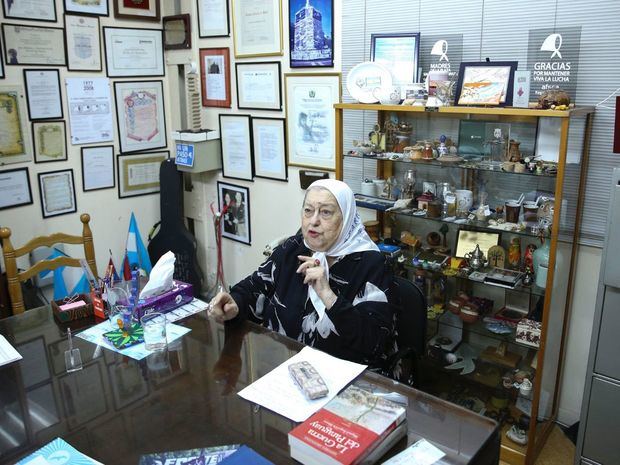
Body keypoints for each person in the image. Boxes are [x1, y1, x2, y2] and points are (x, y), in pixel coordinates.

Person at [209, 179, 393, 364]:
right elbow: (254, 288)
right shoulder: (292, 249)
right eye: (308, 210)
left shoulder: (370, 264)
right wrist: (235, 303)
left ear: (346, 218)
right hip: (285, 364)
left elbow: (373, 343)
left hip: (344, 377)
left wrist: (328, 295)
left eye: (326, 212)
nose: (314, 221)